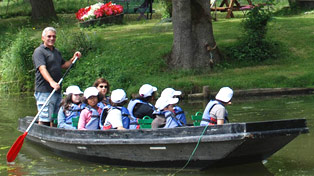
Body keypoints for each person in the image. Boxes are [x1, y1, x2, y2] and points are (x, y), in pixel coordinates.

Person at [33, 27, 81, 127]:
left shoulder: (56, 52)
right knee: (45, 117)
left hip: (57, 89)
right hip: (44, 90)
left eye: (54, 36)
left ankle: (54, 134)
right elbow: (42, 68)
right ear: (43, 38)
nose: (52, 38)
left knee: (55, 117)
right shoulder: (39, 52)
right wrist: (51, 82)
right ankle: (43, 135)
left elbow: (64, 65)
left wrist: (74, 58)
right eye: (49, 36)